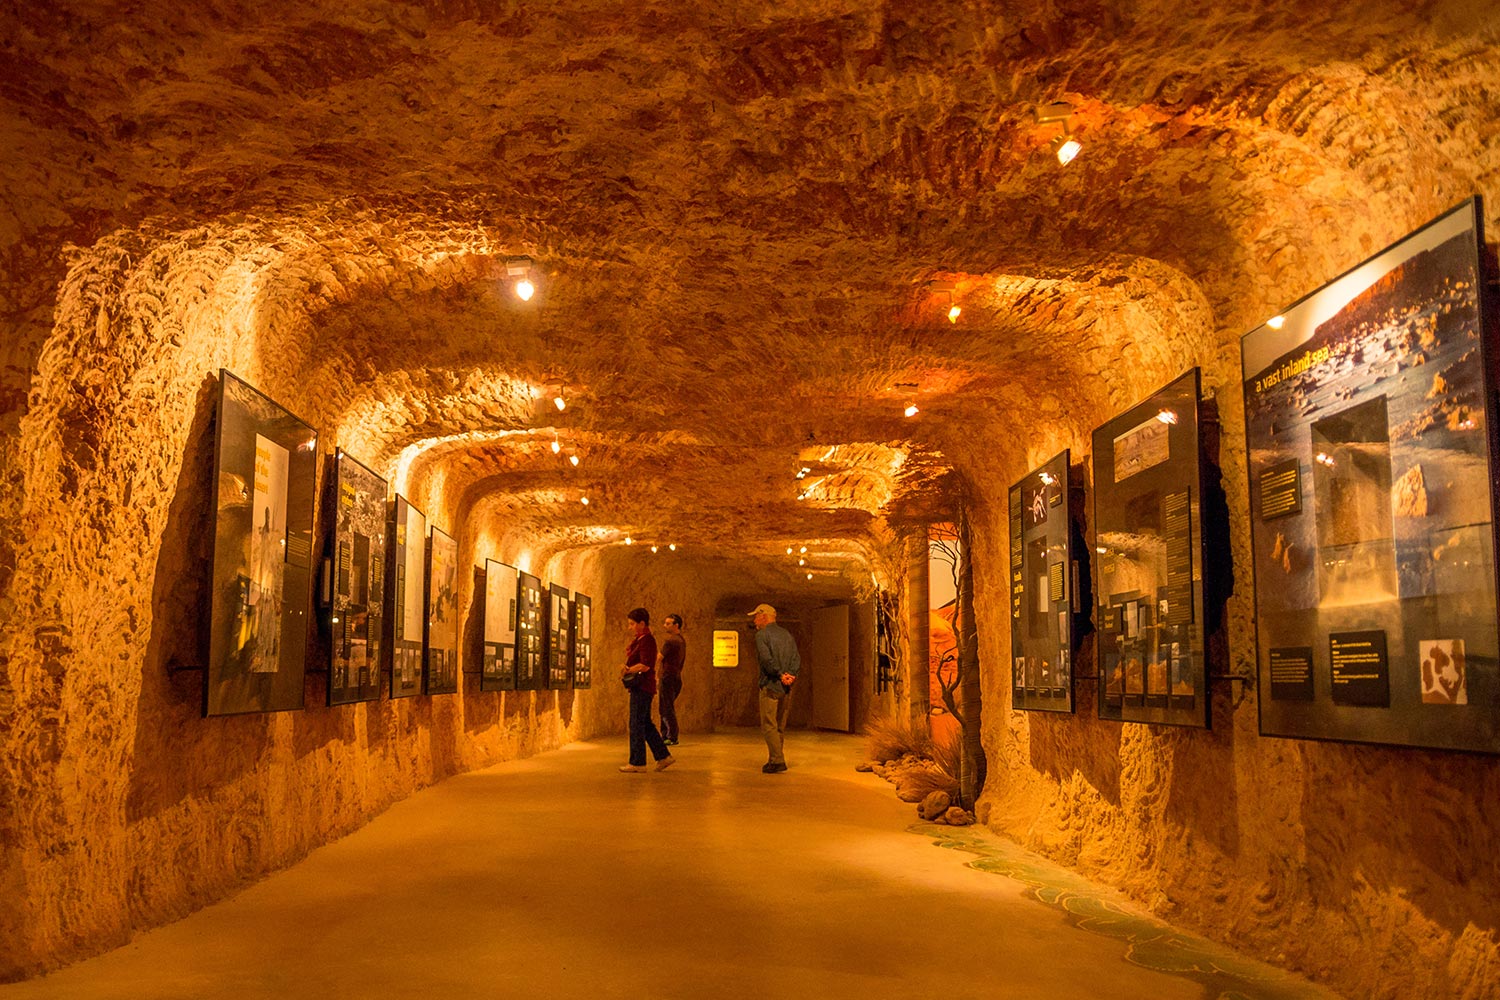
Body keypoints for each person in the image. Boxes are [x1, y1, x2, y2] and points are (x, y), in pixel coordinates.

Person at [620, 608, 674, 773]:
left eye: (632, 624)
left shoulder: (647, 641)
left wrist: (628, 669)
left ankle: (637, 762)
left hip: (642, 686)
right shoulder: (642, 639)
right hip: (642, 686)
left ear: (642, 623)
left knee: (636, 723)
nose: (630, 627)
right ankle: (663, 756)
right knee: (645, 723)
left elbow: (645, 665)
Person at [748, 602, 799, 773]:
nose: (755, 620)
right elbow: (796, 658)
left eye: (756, 616)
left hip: (771, 685)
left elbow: (766, 659)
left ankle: (777, 760)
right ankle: (774, 757)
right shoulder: (787, 635)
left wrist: (778, 674)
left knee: (769, 725)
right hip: (787, 687)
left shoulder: (762, 635)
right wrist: (790, 675)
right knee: (779, 727)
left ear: (763, 616)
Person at [657, 613, 686, 745]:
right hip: (675, 677)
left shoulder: (671, 641)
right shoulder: (681, 640)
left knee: (666, 707)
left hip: (668, 677)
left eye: (668, 623)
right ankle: (666, 735)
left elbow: (659, 657)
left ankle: (671, 736)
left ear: (676, 625)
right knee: (666, 706)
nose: (665, 625)